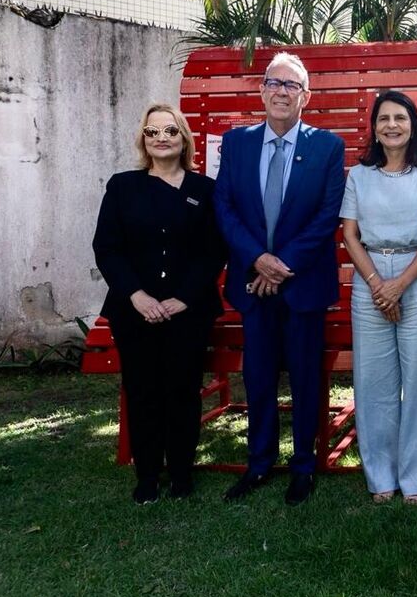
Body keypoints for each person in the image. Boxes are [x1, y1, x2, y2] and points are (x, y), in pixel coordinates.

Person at [213, 52, 345, 505]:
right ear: (262, 91)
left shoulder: (328, 147)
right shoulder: (236, 143)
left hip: (301, 285)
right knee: (260, 377)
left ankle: (303, 467)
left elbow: (327, 216)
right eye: (274, 83)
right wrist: (256, 259)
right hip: (253, 285)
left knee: (307, 378)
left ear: (306, 97)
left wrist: (280, 265)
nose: (281, 92)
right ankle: (259, 463)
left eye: (291, 85)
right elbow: (224, 209)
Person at [93, 103, 226, 504]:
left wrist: (183, 298)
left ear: (183, 139)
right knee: (142, 390)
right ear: (144, 141)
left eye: (170, 131)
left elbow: (213, 251)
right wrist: (138, 295)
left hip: (188, 311)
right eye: (153, 132)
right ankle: (148, 476)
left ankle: (182, 475)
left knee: (183, 390)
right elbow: (107, 247)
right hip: (134, 310)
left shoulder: (205, 191)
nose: (161, 138)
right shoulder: (122, 187)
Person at [340, 90, 417, 505]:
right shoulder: (358, 176)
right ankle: (381, 475)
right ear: (374, 127)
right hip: (369, 278)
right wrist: (376, 284)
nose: (391, 125)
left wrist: (399, 285)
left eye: (400, 118)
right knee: (374, 382)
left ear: (413, 126)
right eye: (384, 118)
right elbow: (350, 234)